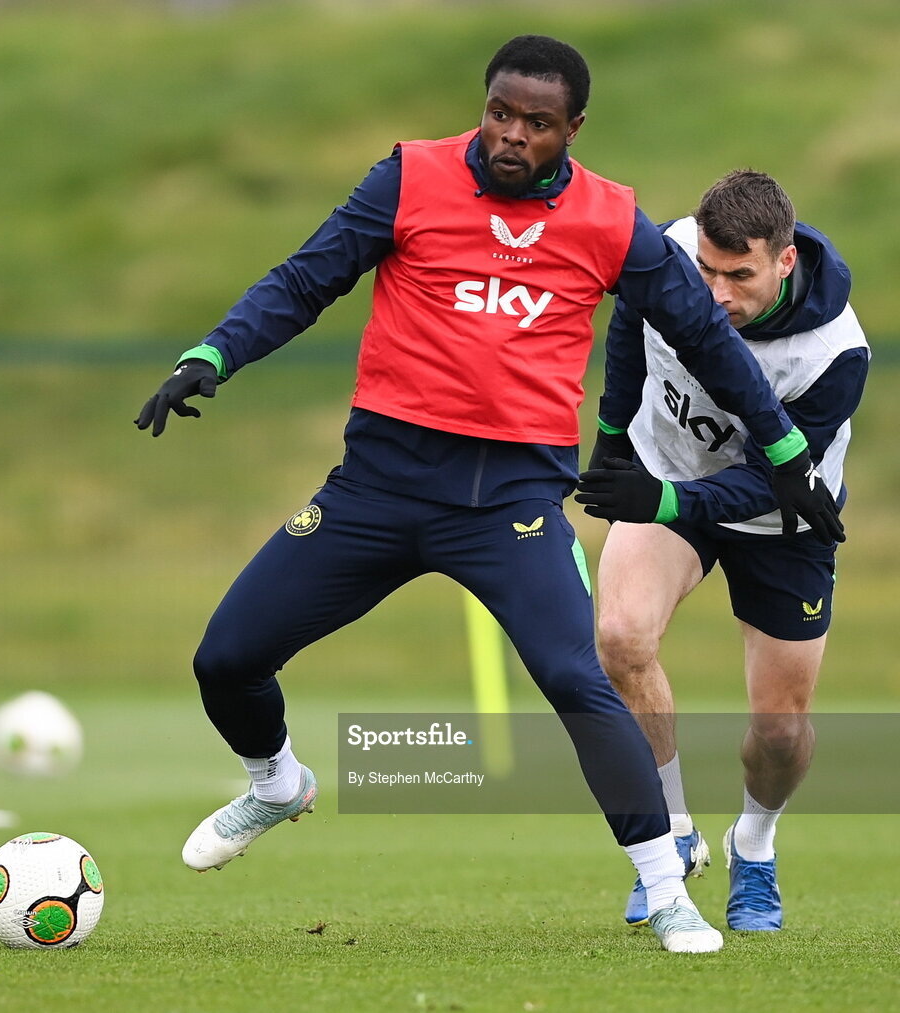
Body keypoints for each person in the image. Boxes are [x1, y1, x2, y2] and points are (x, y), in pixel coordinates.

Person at [136, 36, 839, 954]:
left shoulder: (611, 220)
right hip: (377, 489)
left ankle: (668, 890)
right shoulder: (408, 178)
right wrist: (213, 352)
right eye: (499, 113)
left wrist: (785, 446)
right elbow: (306, 279)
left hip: (510, 504)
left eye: (536, 124)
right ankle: (276, 784)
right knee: (224, 659)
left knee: (579, 679)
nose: (511, 136)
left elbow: (705, 338)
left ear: (572, 130)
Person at [575, 170, 868, 930]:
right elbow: (629, 325)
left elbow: (777, 484)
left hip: (781, 522)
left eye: (738, 276)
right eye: (706, 269)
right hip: (667, 481)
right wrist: (612, 439)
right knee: (620, 636)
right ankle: (669, 837)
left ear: (785, 260)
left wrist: (664, 500)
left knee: (780, 729)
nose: (713, 293)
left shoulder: (834, 354)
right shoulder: (668, 253)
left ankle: (756, 844)